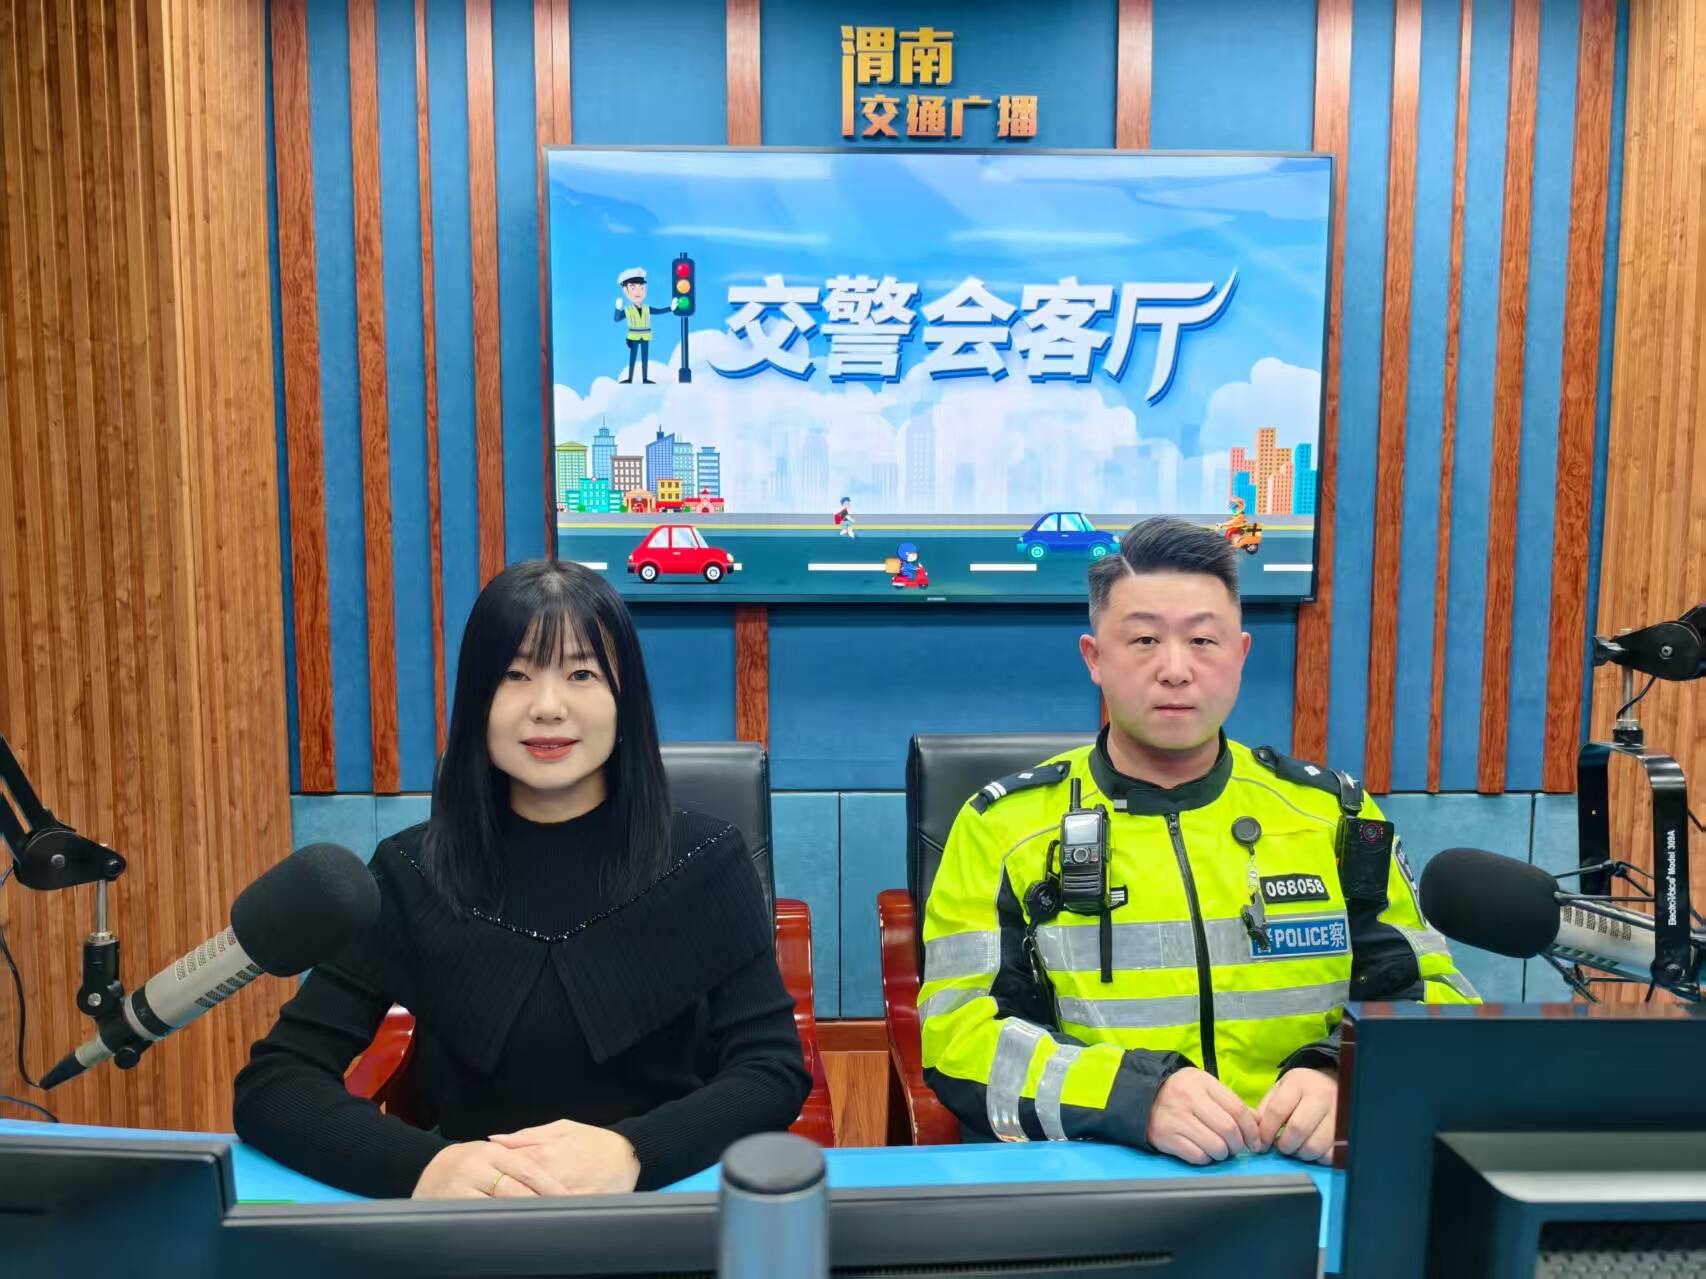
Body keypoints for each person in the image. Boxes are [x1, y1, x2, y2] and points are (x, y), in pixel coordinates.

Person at [234, 561, 810, 1199]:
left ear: (625, 701)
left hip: (658, 1212)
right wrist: (423, 1166)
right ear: (476, 701)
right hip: (473, 1224)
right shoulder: (411, 872)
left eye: (582, 674)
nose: (547, 708)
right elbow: (275, 1083)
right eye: (515, 675)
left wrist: (635, 1152)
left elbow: (772, 1071)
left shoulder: (705, 860)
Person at [918, 517, 1478, 1167]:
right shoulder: (1004, 826)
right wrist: (1131, 1098)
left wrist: (1341, 1072)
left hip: (1305, 1172)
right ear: (1094, 658)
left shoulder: (1332, 815)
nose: (1176, 670)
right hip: (1101, 1174)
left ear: (1241, 654)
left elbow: (1437, 997)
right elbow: (958, 1038)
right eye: (1145, 640)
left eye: (1203, 640)